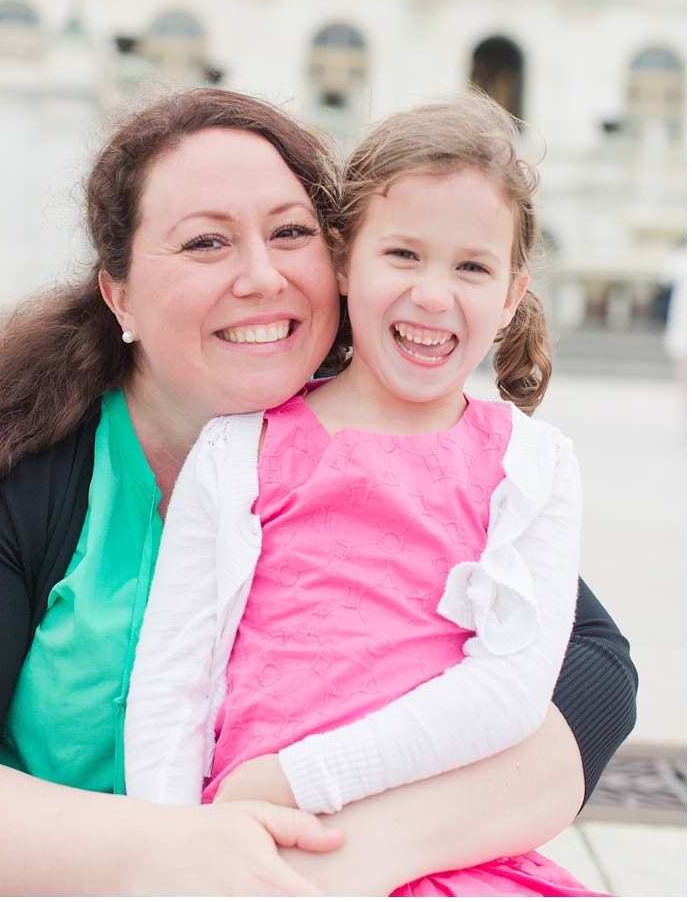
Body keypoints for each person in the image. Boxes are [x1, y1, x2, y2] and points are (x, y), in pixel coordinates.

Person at [0, 89, 638, 895]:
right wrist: (194, 853)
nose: (262, 276)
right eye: (206, 242)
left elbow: (587, 675)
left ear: (334, 259)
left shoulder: (413, 460)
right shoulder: (11, 480)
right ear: (121, 295)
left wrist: (352, 851)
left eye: (290, 233)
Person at [124, 92, 599, 894]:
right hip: (248, 848)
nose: (434, 295)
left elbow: (510, 689)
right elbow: (175, 681)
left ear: (512, 295)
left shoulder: (532, 466)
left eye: (472, 267)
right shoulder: (242, 449)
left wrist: (297, 777)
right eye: (403, 255)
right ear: (344, 262)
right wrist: (180, 854)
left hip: (439, 848)